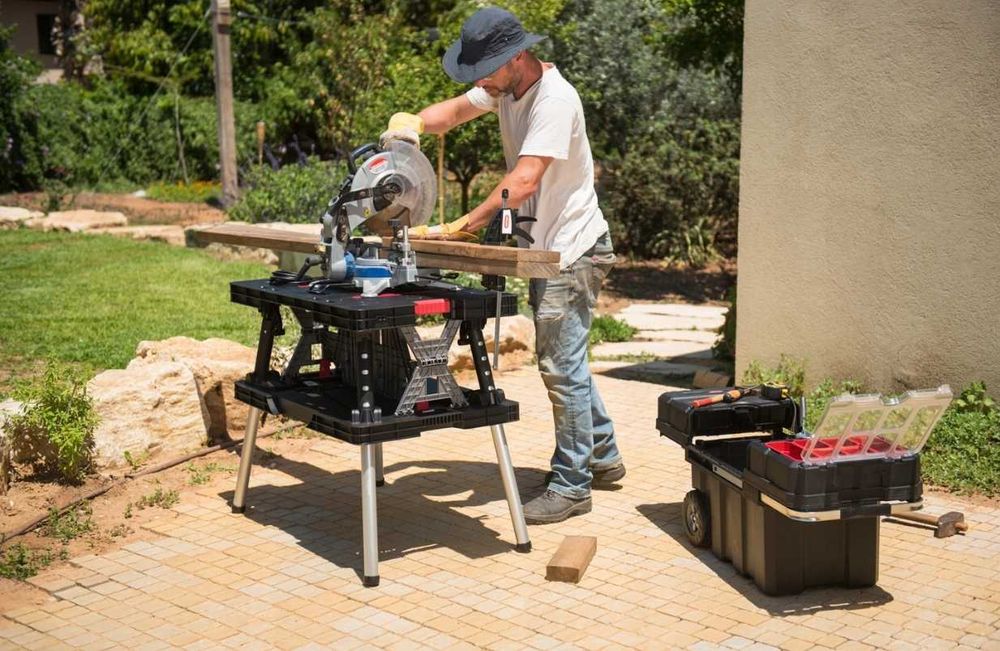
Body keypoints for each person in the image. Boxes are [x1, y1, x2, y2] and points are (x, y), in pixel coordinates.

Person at [382, 6, 624, 524]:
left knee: (560, 366)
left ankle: (573, 485)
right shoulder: (503, 87)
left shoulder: (554, 100)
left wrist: (465, 223)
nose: (479, 82)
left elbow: (526, 179)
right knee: (567, 358)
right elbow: (450, 114)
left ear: (517, 57)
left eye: (484, 70)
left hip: (571, 249)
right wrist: (411, 125)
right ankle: (603, 456)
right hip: (546, 246)